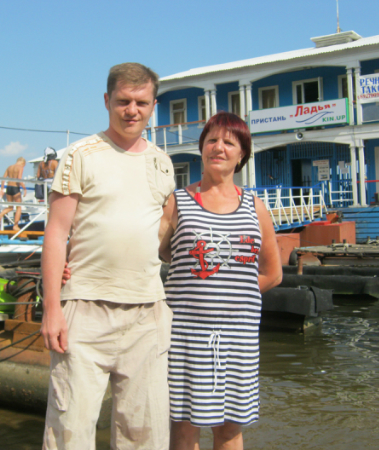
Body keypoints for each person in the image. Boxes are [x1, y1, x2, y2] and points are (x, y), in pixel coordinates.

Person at [41, 63, 176, 450]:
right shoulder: (80, 155)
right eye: (123, 101)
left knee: (145, 434)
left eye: (141, 103)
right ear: (107, 101)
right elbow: (56, 232)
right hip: (85, 310)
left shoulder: (163, 163)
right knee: (70, 430)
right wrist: (52, 308)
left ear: (153, 106)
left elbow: (165, 232)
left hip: (147, 313)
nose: (132, 110)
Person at [159, 111, 282, 450]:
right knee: (184, 427)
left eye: (229, 142)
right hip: (185, 334)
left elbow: (273, 273)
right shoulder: (177, 202)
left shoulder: (255, 207)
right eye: (211, 140)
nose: (218, 147)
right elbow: (155, 253)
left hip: (238, 337)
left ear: (242, 154)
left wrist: (235, 296)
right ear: (201, 148)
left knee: (229, 429)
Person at [0, 156, 27, 231]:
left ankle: (0, 214)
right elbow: (19, 179)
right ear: (23, 163)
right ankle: (15, 226)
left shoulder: (9, 167)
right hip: (15, 188)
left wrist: (2, 189)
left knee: (10, 207)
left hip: (8, 188)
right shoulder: (20, 167)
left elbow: (3, 179)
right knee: (19, 207)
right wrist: (24, 188)